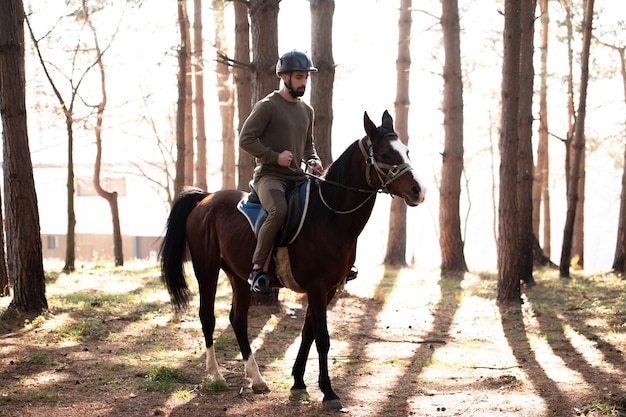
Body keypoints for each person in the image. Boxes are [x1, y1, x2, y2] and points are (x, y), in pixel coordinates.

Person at [239, 50, 324, 294]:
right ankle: (257, 270)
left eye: (306, 78)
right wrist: (274, 157)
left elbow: (308, 145)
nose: (304, 83)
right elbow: (245, 139)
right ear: (284, 76)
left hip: (299, 178)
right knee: (278, 210)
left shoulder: (307, 111)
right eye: (299, 77)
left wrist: (313, 160)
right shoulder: (267, 106)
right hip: (270, 177)